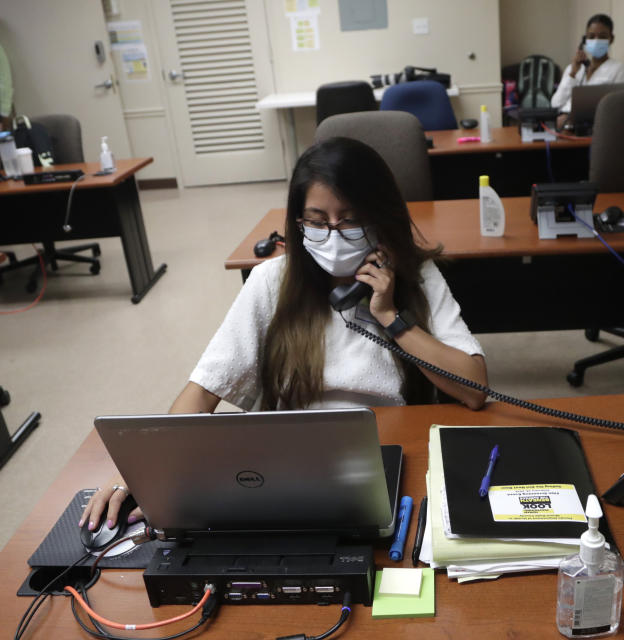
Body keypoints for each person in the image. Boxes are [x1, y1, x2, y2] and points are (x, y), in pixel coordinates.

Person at [80, 137, 488, 529]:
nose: (333, 234)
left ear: (380, 217)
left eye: (349, 220)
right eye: (316, 222)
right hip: (289, 468)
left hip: (392, 453)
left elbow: (473, 389)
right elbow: (205, 390)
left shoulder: (417, 275)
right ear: (298, 223)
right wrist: (140, 474)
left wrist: (391, 316)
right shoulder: (272, 281)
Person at [550, 13, 624, 129]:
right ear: (585, 40)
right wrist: (572, 74)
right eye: (591, 36)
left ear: (611, 39)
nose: (596, 40)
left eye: (602, 36)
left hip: (592, 126)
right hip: (562, 124)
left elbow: (618, 108)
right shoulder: (574, 68)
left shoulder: (618, 69)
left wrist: (570, 119)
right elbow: (555, 104)